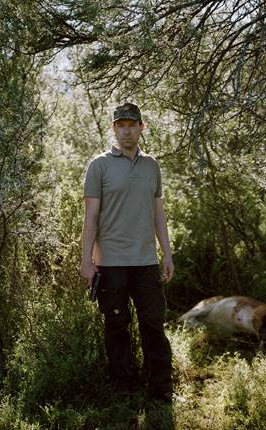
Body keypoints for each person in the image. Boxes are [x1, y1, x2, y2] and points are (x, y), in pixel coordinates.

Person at [80, 102, 175, 401]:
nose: (126, 131)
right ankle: (122, 391)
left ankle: (161, 391)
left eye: (132, 125)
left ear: (141, 128)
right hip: (111, 263)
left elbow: (158, 213)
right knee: (117, 326)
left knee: (153, 326)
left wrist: (167, 254)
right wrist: (87, 260)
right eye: (120, 125)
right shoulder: (100, 165)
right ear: (114, 128)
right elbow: (91, 217)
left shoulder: (152, 166)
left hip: (146, 260)